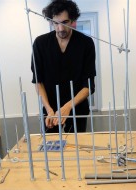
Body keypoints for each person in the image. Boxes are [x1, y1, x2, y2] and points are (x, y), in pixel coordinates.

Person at [31, 0, 96, 134]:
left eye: (65, 22)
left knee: (76, 149)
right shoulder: (40, 43)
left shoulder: (86, 43)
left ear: (73, 20)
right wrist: (49, 109)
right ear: (51, 21)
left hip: (78, 109)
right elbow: (38, 81)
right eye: (56, 23)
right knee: (51, 149)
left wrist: (67, 107)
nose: (60, 28)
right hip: (50, 112)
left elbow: (88, 85)